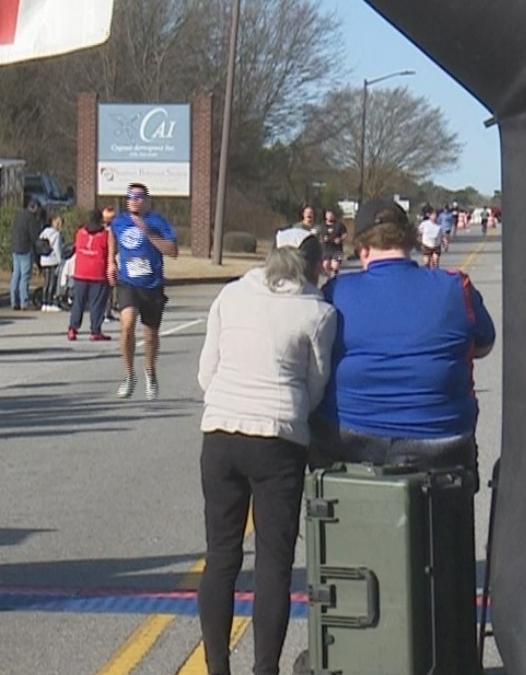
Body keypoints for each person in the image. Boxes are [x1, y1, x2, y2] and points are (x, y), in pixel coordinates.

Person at [196, 234, 338, 675]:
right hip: (277, 439)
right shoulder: (318, 313)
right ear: (313, 267)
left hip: (220, 432)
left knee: (221, 556)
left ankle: (217, 665)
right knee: (273, 563)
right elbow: (315, 387)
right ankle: (264, 669)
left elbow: (206, 373)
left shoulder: (231, 294)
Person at [318, 199, 495, 471]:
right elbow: (484, 344)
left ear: (362, 248)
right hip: (441, 438)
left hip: (350, 437)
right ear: (411, 241)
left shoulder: (335, 292)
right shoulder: (455, 287)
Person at [111, 183, 178, 401]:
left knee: (150, 336)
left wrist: (148, 233)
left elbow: (173, 251)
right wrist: (110, 263)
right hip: (128, 282)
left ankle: (150, 372)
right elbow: (112, 239)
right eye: (130, 196)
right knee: (127, 325)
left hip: (152, 284)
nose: (134, 200)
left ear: (147, 200)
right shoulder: (119, 221)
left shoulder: (157, 221)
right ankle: (129, 375)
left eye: (139, 197)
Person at [68, 205, 114, 342]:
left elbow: (76, 247)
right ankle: (95, 330)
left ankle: (73, 328)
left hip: (80, 272)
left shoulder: (81, 232)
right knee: (97, 303)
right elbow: (111, 252)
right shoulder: (105, 235)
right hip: (97, 273)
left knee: (79, 302)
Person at [10, 197, 44, 310]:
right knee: (24, 276)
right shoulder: (31, 219)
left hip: (15, 248)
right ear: (35, 208)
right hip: (25, 248)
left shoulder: (20, 216)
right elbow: (35, 236)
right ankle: (24, 301)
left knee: (16, 275)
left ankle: (14, 301)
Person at [38, 211, 65, 312]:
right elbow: (57, 249)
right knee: (51, 283)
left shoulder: (44, 232)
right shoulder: (56, 235)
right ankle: (49, 303)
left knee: (46, 283)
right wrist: (60, 261)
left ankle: (44, 303)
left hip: (43, 260)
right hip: (52, 261)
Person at [319, 208, 348, 279]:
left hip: (337, 249)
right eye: (328, 214)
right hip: (326, 248)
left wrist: (340, 239)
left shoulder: (339, 224)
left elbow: (345, 234)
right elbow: (318, 236)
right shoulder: (322, 226)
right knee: (325, 265)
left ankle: (336, 277)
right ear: (325, 216)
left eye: (331, 214)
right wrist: (322, 239)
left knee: (335, 265)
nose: (330, 216)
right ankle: (328, 279)